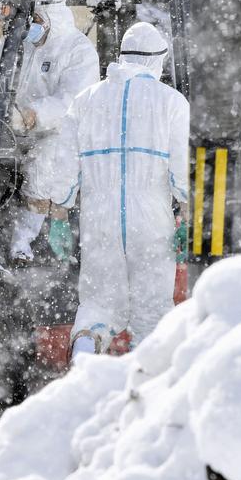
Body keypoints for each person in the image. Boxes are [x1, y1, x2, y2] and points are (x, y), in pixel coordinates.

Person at [52, 23, 189, 355]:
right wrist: (187, 216)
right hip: (151, 220)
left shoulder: (85, 100)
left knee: (98, 305)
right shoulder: (171, 102)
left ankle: (83, 369)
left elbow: (64, 164)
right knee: (153, 314)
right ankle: (145, 394)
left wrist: (59, 212)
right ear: (157, 59)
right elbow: (183, 172)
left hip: (99, 218)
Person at [0, 0, 99, 263]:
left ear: (50, 16)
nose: (30, 25)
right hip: (14, 129)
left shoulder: (78, 51)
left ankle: (22, 244)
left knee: (43, 167)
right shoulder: (20, 43)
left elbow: (73, 101)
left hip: (57, 135)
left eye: (35, 19)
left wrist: (33, 114)